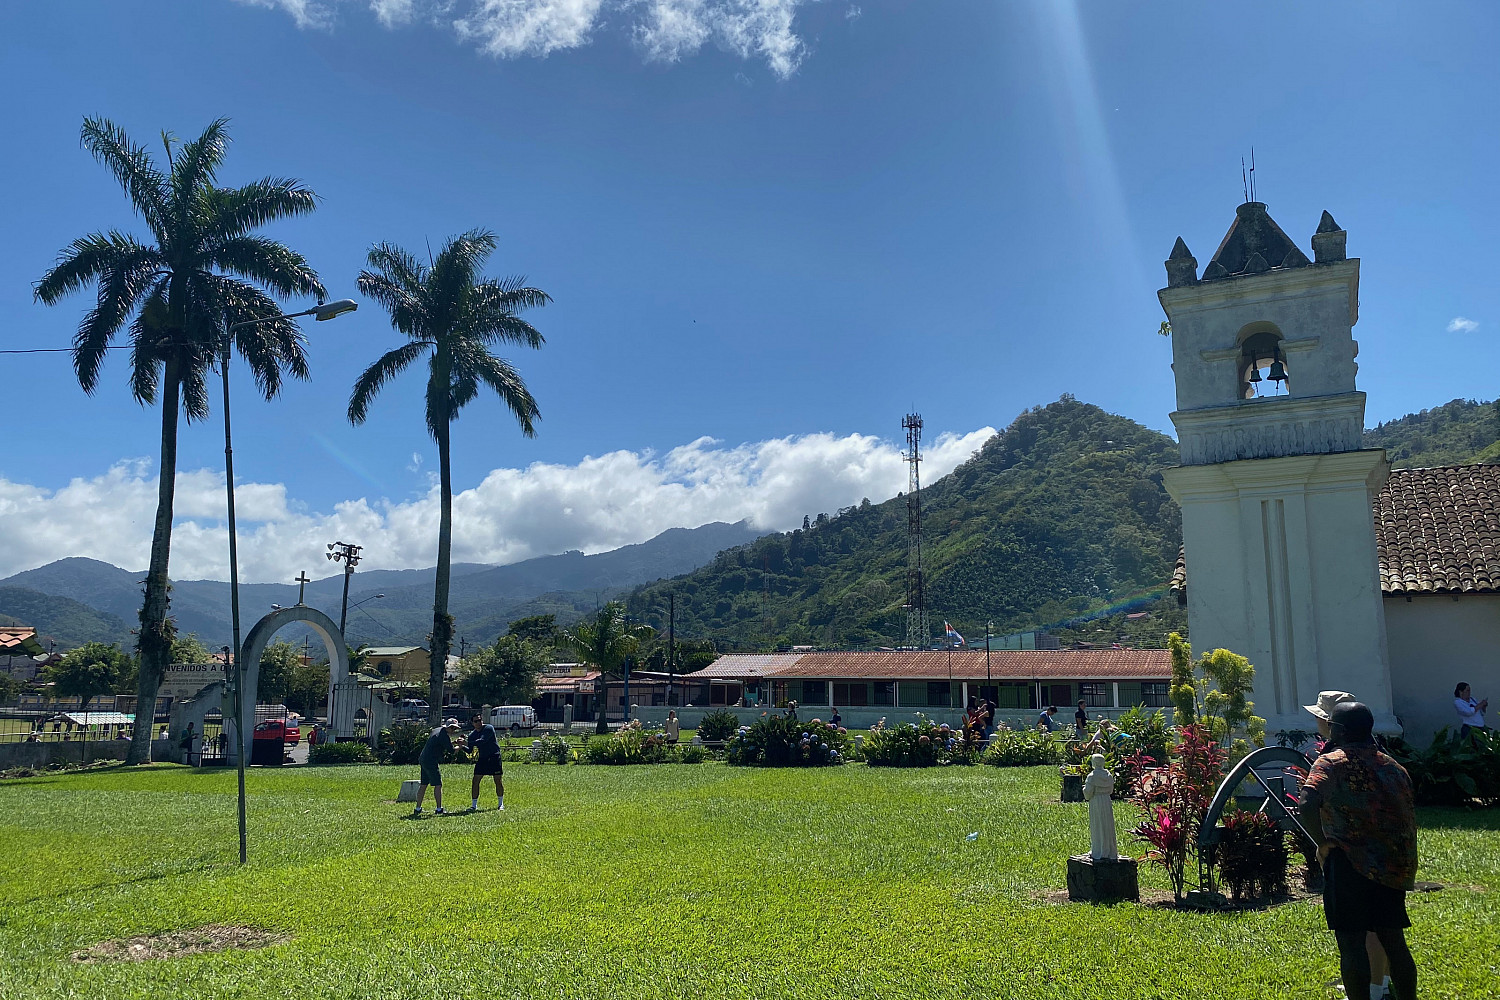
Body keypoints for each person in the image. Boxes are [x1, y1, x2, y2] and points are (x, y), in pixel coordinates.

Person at [1298, 702, 1418, 1000]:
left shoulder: (1332, 762)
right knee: (1394, 941)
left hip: (1350, 864)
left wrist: (1322, 843)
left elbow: (1306, 804)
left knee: (1351, 944)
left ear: (1339, 731)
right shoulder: (1394, 767)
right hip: (1392, 865)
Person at [412, 719, 463, 817]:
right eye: (452, 728)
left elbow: (441, 744)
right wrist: (460, 746)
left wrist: (453, 742)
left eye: (455, 728)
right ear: (447, 727)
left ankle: (418, 808)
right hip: (431, 761)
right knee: (438, 784)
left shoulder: (437, 730)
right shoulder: (443, 736)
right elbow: (452, 752)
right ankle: (439, 809)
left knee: (424, 784)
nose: (453, 730)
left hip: (423, 758)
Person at [465, 713, 504, 812]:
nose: (479, 723)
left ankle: (500, 804)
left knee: (497, 781)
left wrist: (466, 743)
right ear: (472, 723)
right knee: (475, 781)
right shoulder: (472, 735)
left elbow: (482, 741)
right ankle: (474, 805)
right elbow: (469, 750)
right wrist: (461, 746)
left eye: (480, 720)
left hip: (494, 757)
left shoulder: (488, 728)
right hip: (483, 758)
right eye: (476, 721)